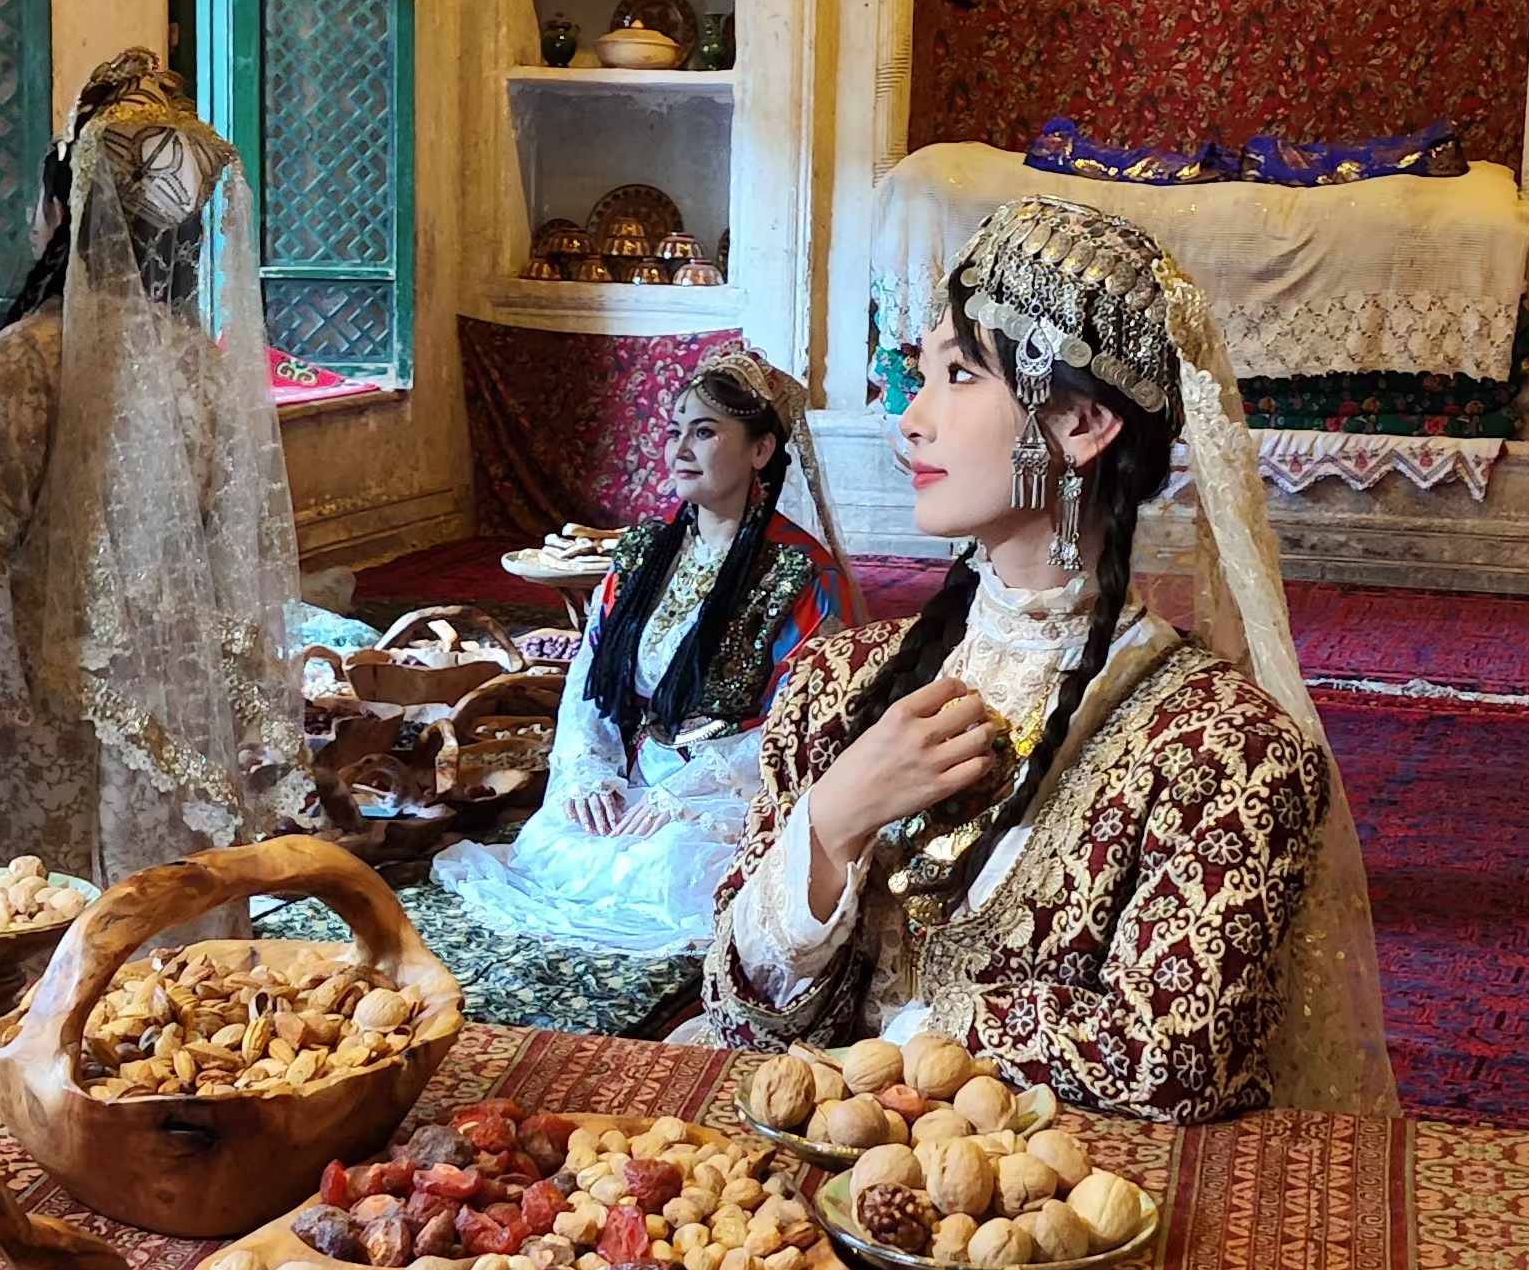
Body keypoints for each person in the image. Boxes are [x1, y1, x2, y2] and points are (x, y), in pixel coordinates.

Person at [708, 197, 1390, 1121]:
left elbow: (1171, 1059)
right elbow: (739, 1017)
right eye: (919, 376)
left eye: (958, 375)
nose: (910, 420)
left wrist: (913, 1033)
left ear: (1081, 425)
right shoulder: (838, 689)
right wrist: (835, 819)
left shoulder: (1224, 750)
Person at [0, 50, 307, 928]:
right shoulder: (196, 363)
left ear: (62, 208)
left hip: (44, 686)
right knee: (161, 904)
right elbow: (233, 543)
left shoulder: (26, 357)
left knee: (33, 908)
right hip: (173, 684)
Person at [431, 350, 854, 955]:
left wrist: (684, 795)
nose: (679, 450)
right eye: (675, 432)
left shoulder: (799, 576)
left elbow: (807, 720)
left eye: (704, 433)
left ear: (761, 450)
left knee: (675, 870)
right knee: (558, 839)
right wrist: (591, 773)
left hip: (735, 782)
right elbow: (591, 677)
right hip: (641, 767)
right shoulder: (644, 554)